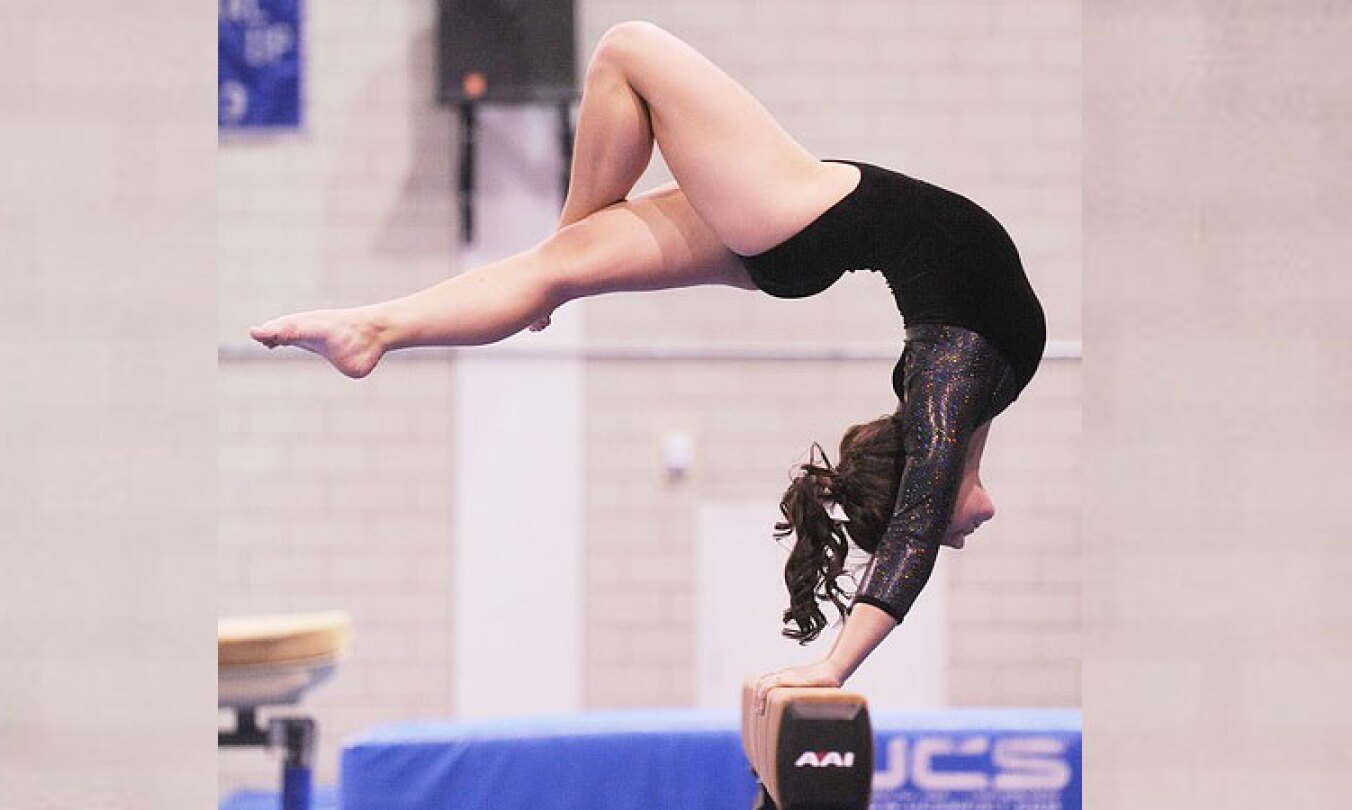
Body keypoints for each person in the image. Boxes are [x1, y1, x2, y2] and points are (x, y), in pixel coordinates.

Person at [250, 21, 1046, 713]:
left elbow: (911, 528)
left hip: (797, 215)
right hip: (797, 230)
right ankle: (376, 328)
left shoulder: (953, 383)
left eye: (946, 533)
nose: (968, 531)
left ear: (925, 485)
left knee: (626, 51)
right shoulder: (965, 393)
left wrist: (833, 666)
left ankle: (513, 273)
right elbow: (919, 511)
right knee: (558, 263)